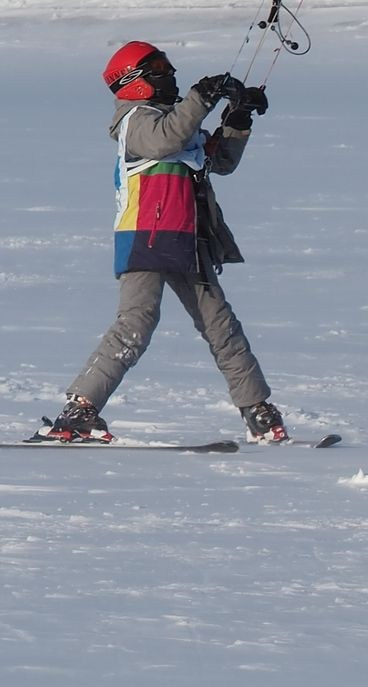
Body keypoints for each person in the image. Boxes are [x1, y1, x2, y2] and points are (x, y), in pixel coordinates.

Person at [38, 41, 289, 445]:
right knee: (136, 323)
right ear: (135, 81)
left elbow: (220, 161)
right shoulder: (135, 121)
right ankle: (79, 410)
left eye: (167, 66)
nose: (169, 74)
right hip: (145, 236)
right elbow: (164, 141)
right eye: (157, 68)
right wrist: (201, 96)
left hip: (188, 238)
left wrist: (238, 118)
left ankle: (258, 410)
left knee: (221, 325)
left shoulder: (175, 123)